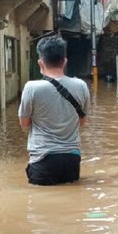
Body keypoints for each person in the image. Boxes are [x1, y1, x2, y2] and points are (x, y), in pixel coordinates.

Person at [18, 36, 90, 186]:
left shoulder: (32, 87)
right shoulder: (81, 86)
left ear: (40, 62)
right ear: (65, 61)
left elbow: (24, 124)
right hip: (72, 158)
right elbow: (82, 122)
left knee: (40, 204)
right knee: (70, 204)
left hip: (42, 158)